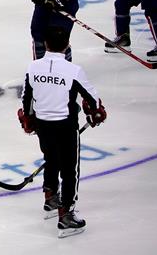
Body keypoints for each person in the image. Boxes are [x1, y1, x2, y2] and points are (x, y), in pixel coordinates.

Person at [19, 26, 108, 238]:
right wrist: (96, 113)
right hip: (65, 126)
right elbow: (92, 100)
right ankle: (66, 215)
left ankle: (50, 198)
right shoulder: (73, 70)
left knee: (51, 159)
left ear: (45, 44)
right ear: (67, 45)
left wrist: (28, 119)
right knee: (69, 170)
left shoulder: (33, 67)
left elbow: (26, 99)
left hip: (43, 124)